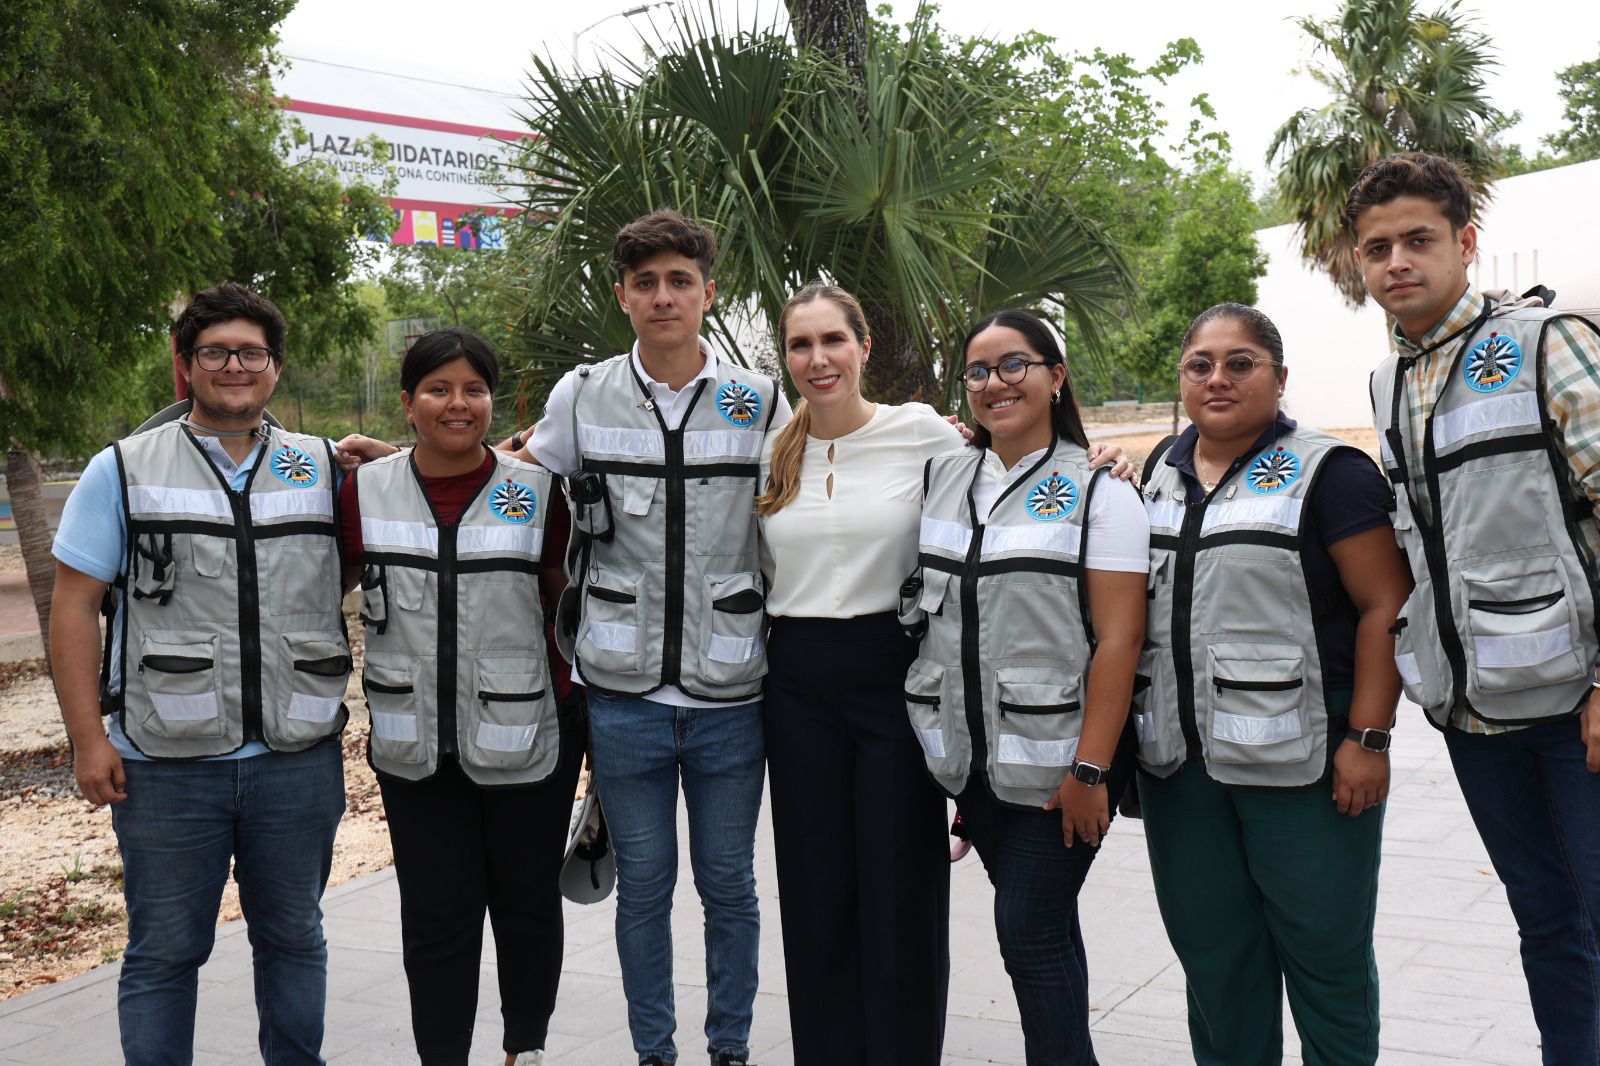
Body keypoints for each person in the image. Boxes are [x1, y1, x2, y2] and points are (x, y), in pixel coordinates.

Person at [500, 209, 791, 1066]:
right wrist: (400, 464)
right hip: (622, 697)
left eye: (679, 281)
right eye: (645, 283)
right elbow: (514, 476)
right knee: (643, 894)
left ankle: (729, 1048)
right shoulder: (582, 394)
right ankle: (654, 1052)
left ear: (709, 292)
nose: (663, 297)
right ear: (622, 295)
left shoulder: (758, 400)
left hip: (733, 692)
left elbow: (834, 478)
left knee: (730, 888)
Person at [49, 282, 351, 1065]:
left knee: (294, 939)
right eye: (214, 352)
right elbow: (75, 606)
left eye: (251, 352)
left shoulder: (322, 468)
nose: (234, 366)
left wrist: (389, 457)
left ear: (276, 368)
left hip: (297, 759)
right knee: (165, 953)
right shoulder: (121, 469)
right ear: (186, 367)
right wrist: (87, 738)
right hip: (165, 763)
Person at [1352, 151, 1600, 1063]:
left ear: (1465, 243)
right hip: (1471, 714)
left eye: (1418, 240)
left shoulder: (1547, 341)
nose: (1396, 263)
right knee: (1546, 923)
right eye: (1376, 249)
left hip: (1577, 705)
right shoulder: (1387, 385)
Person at [1134, 302, 1409, 1065]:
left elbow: (1386, 604)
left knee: (1327, 962)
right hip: (1181, 772)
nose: (1217, 378)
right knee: (1216, 966)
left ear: (1279, 378)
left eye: (1240, 363)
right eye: (1200, 365)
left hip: (1309, 768)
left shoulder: (1333, 473)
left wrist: (1369, 736)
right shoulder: (1157, 468)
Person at [900, 309, 1148, 1065]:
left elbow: (1120, 640)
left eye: (1015, 365)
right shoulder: (943, 476)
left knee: (1030, 933)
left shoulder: (1101, 492)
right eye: (978, 371)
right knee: (1042, 935)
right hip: (971, 772)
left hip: (1058, 777)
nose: (995, 383)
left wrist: (1090, 772)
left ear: (1055, 376)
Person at [338, 327, 581, 1066]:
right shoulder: (362, 493)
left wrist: (591, 729)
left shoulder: (538, 493)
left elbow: (568, 613)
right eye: (438, 389)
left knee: (527, 905)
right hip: (414, 746)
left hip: (531, 737)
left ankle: (525, 1048)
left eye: (473, 389)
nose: (457, 403)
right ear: (408, 404)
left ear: (492, 401)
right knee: (436, 918)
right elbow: (319, 593)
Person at [753, 282, 963, 1064]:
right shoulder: (773, 446)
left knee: (901, 881)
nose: (818, 359)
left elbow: (1013, 469)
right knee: (814, 886)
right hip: (796, 677)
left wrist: (1099, 459)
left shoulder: (923, 435)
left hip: (894, 667)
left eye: (832, 341)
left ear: (864, 347)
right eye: (801, 345)